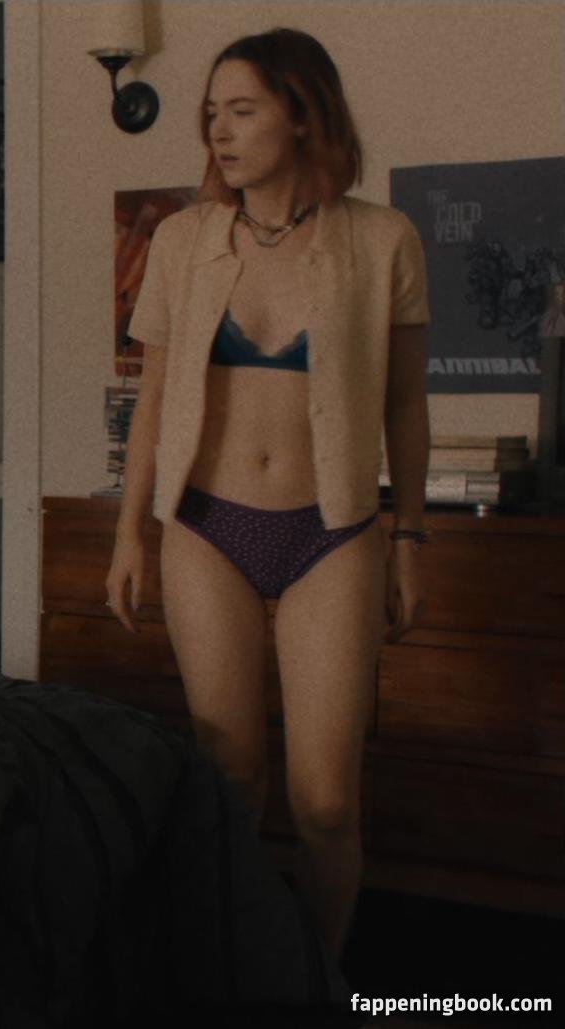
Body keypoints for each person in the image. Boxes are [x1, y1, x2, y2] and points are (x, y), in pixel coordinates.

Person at [102, 28, 430, 964]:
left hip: (335, 533)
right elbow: (152, 399)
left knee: (325, 800)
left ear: (303, 114)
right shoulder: (181, 240)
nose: (219, 130)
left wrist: (411, 537)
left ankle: (316, 979)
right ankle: (233, 974)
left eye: (242, 110)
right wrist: (130, 535)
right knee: (231, 777)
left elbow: (406, 406)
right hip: (207, 528)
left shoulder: (384, 240)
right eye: (212, 113)